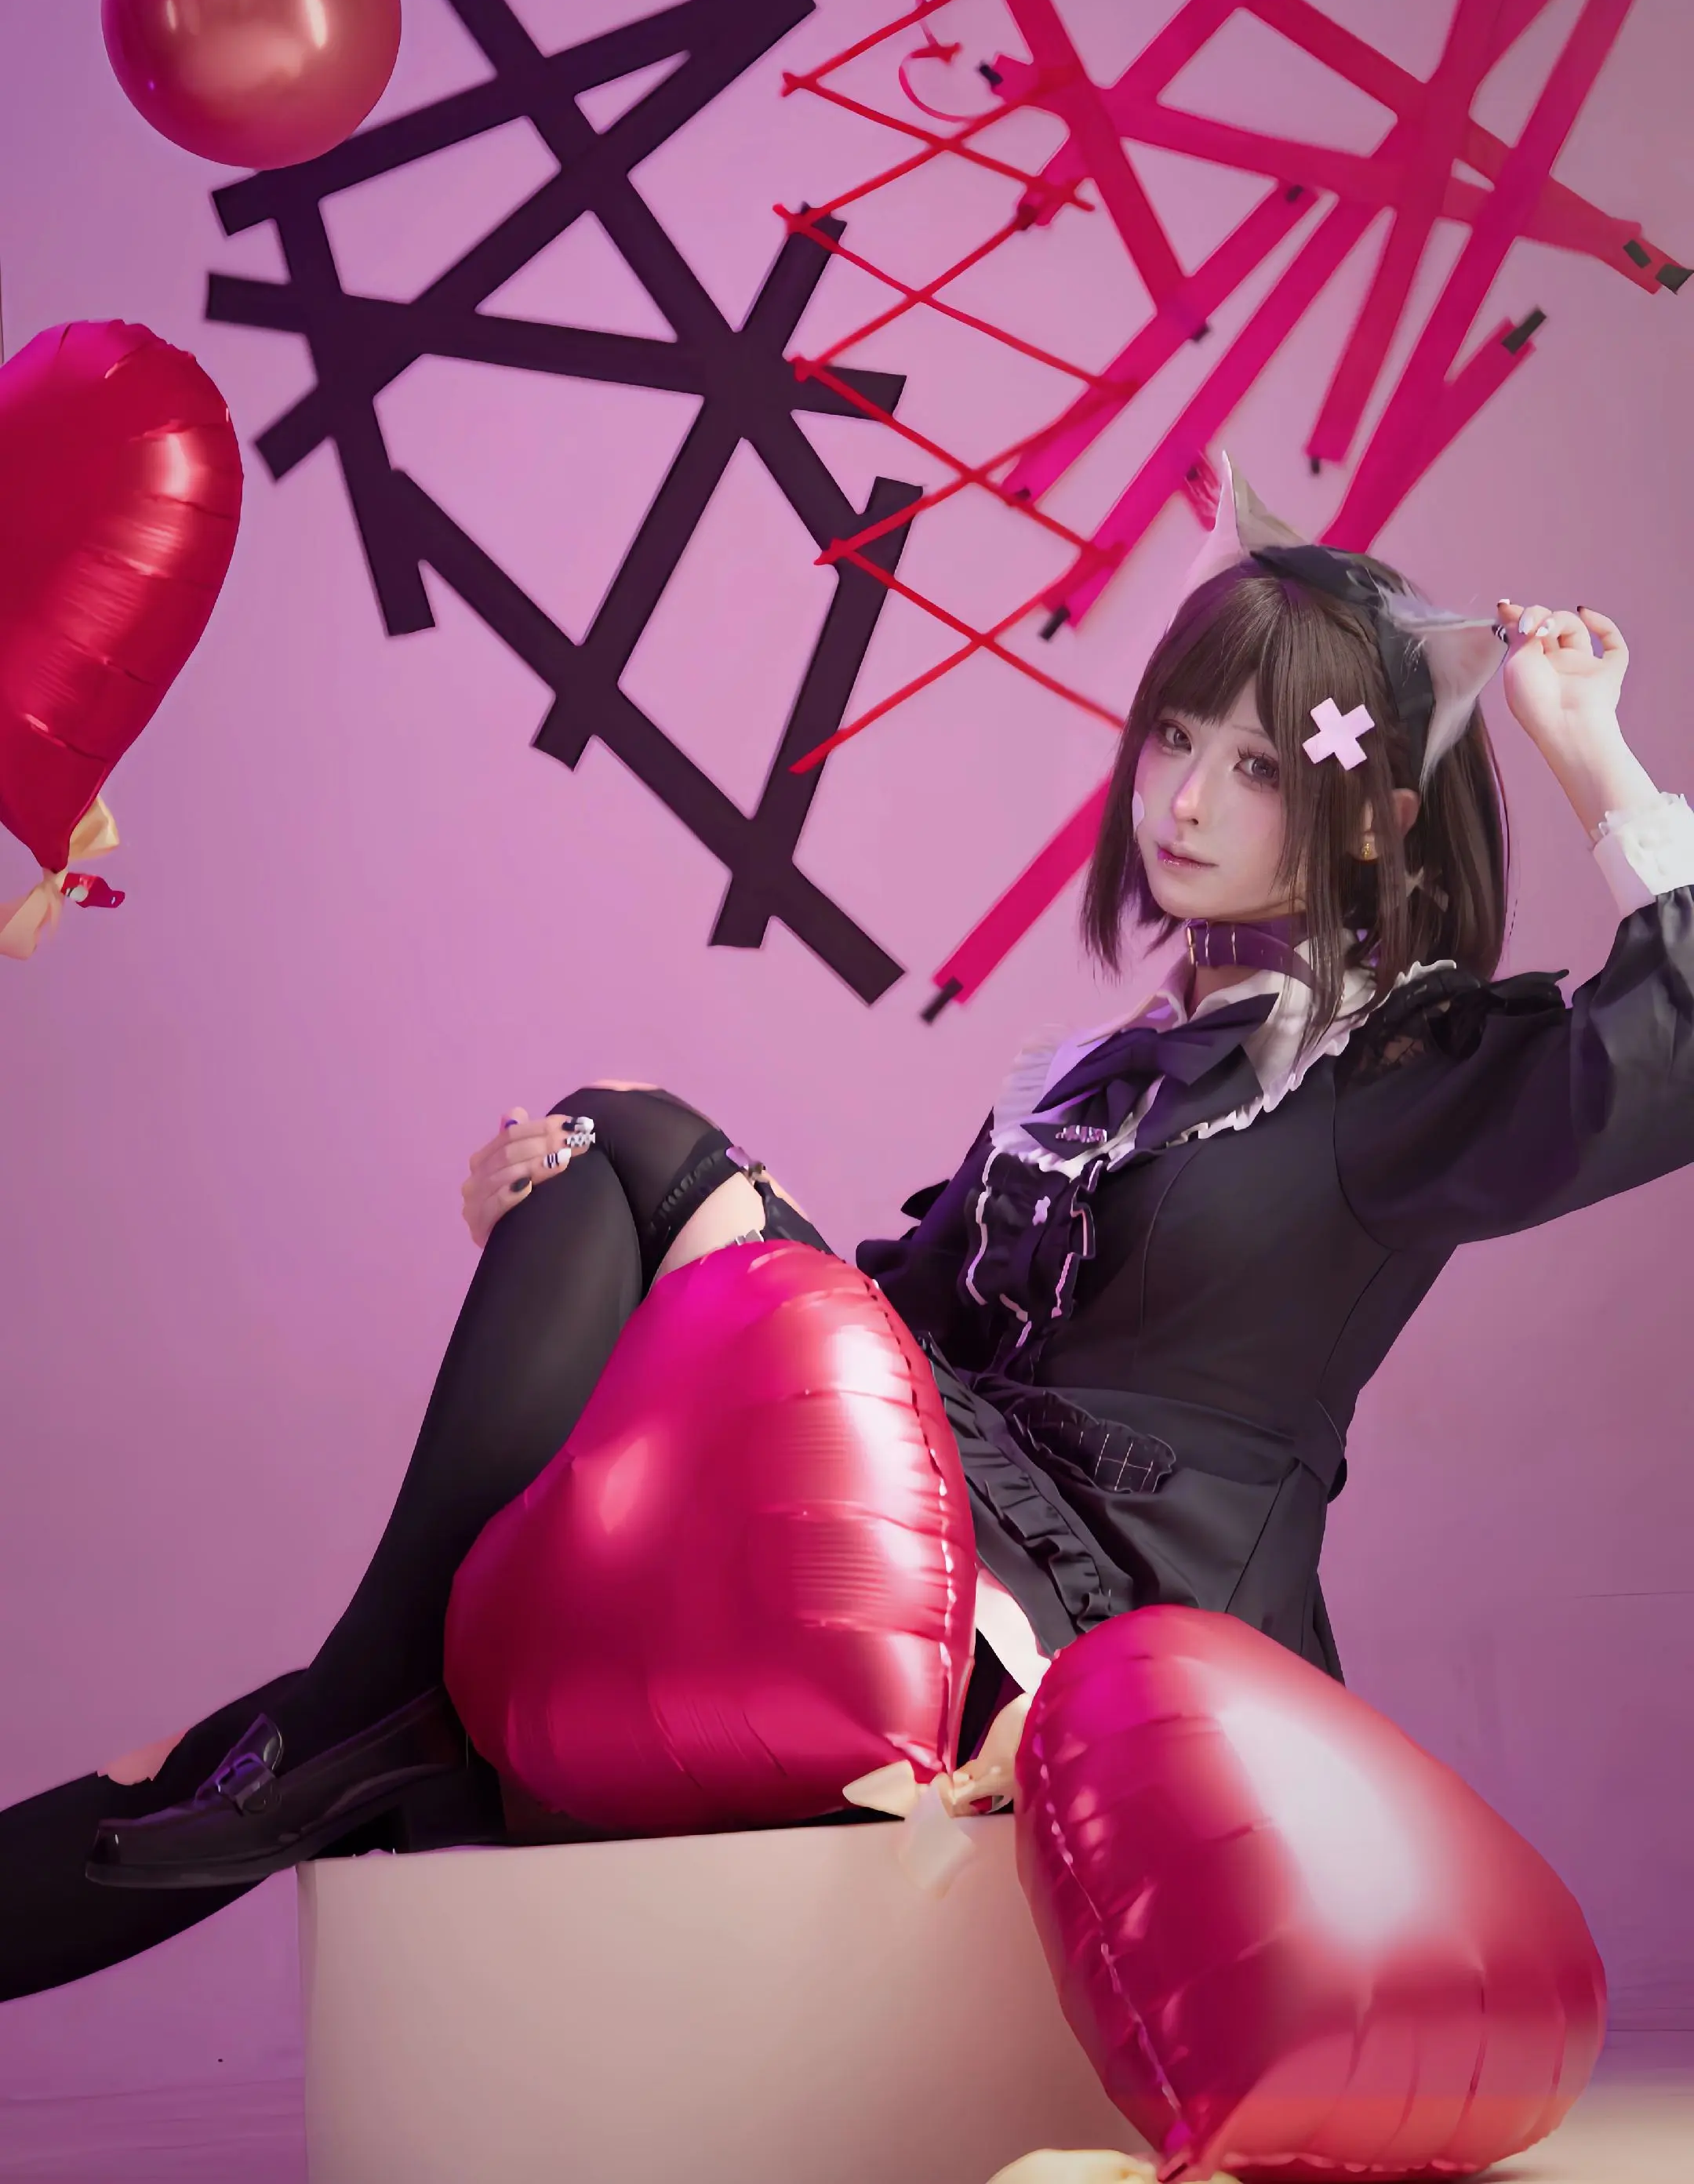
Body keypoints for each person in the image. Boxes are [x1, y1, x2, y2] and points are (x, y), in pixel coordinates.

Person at [3, 460, 1691, 2002]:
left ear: (1374, 817)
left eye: (1255, 766)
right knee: (288, 1703)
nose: (1182, 799)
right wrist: (560, 1238)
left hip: (1117, 1635)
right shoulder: (1096, 1080)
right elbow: (890, 1345)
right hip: (930, 1556)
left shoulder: (1400, 1075)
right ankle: (355, 1709)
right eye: (1174, 738)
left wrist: (1586, 745)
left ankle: (355, 1702)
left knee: (631, 1137)